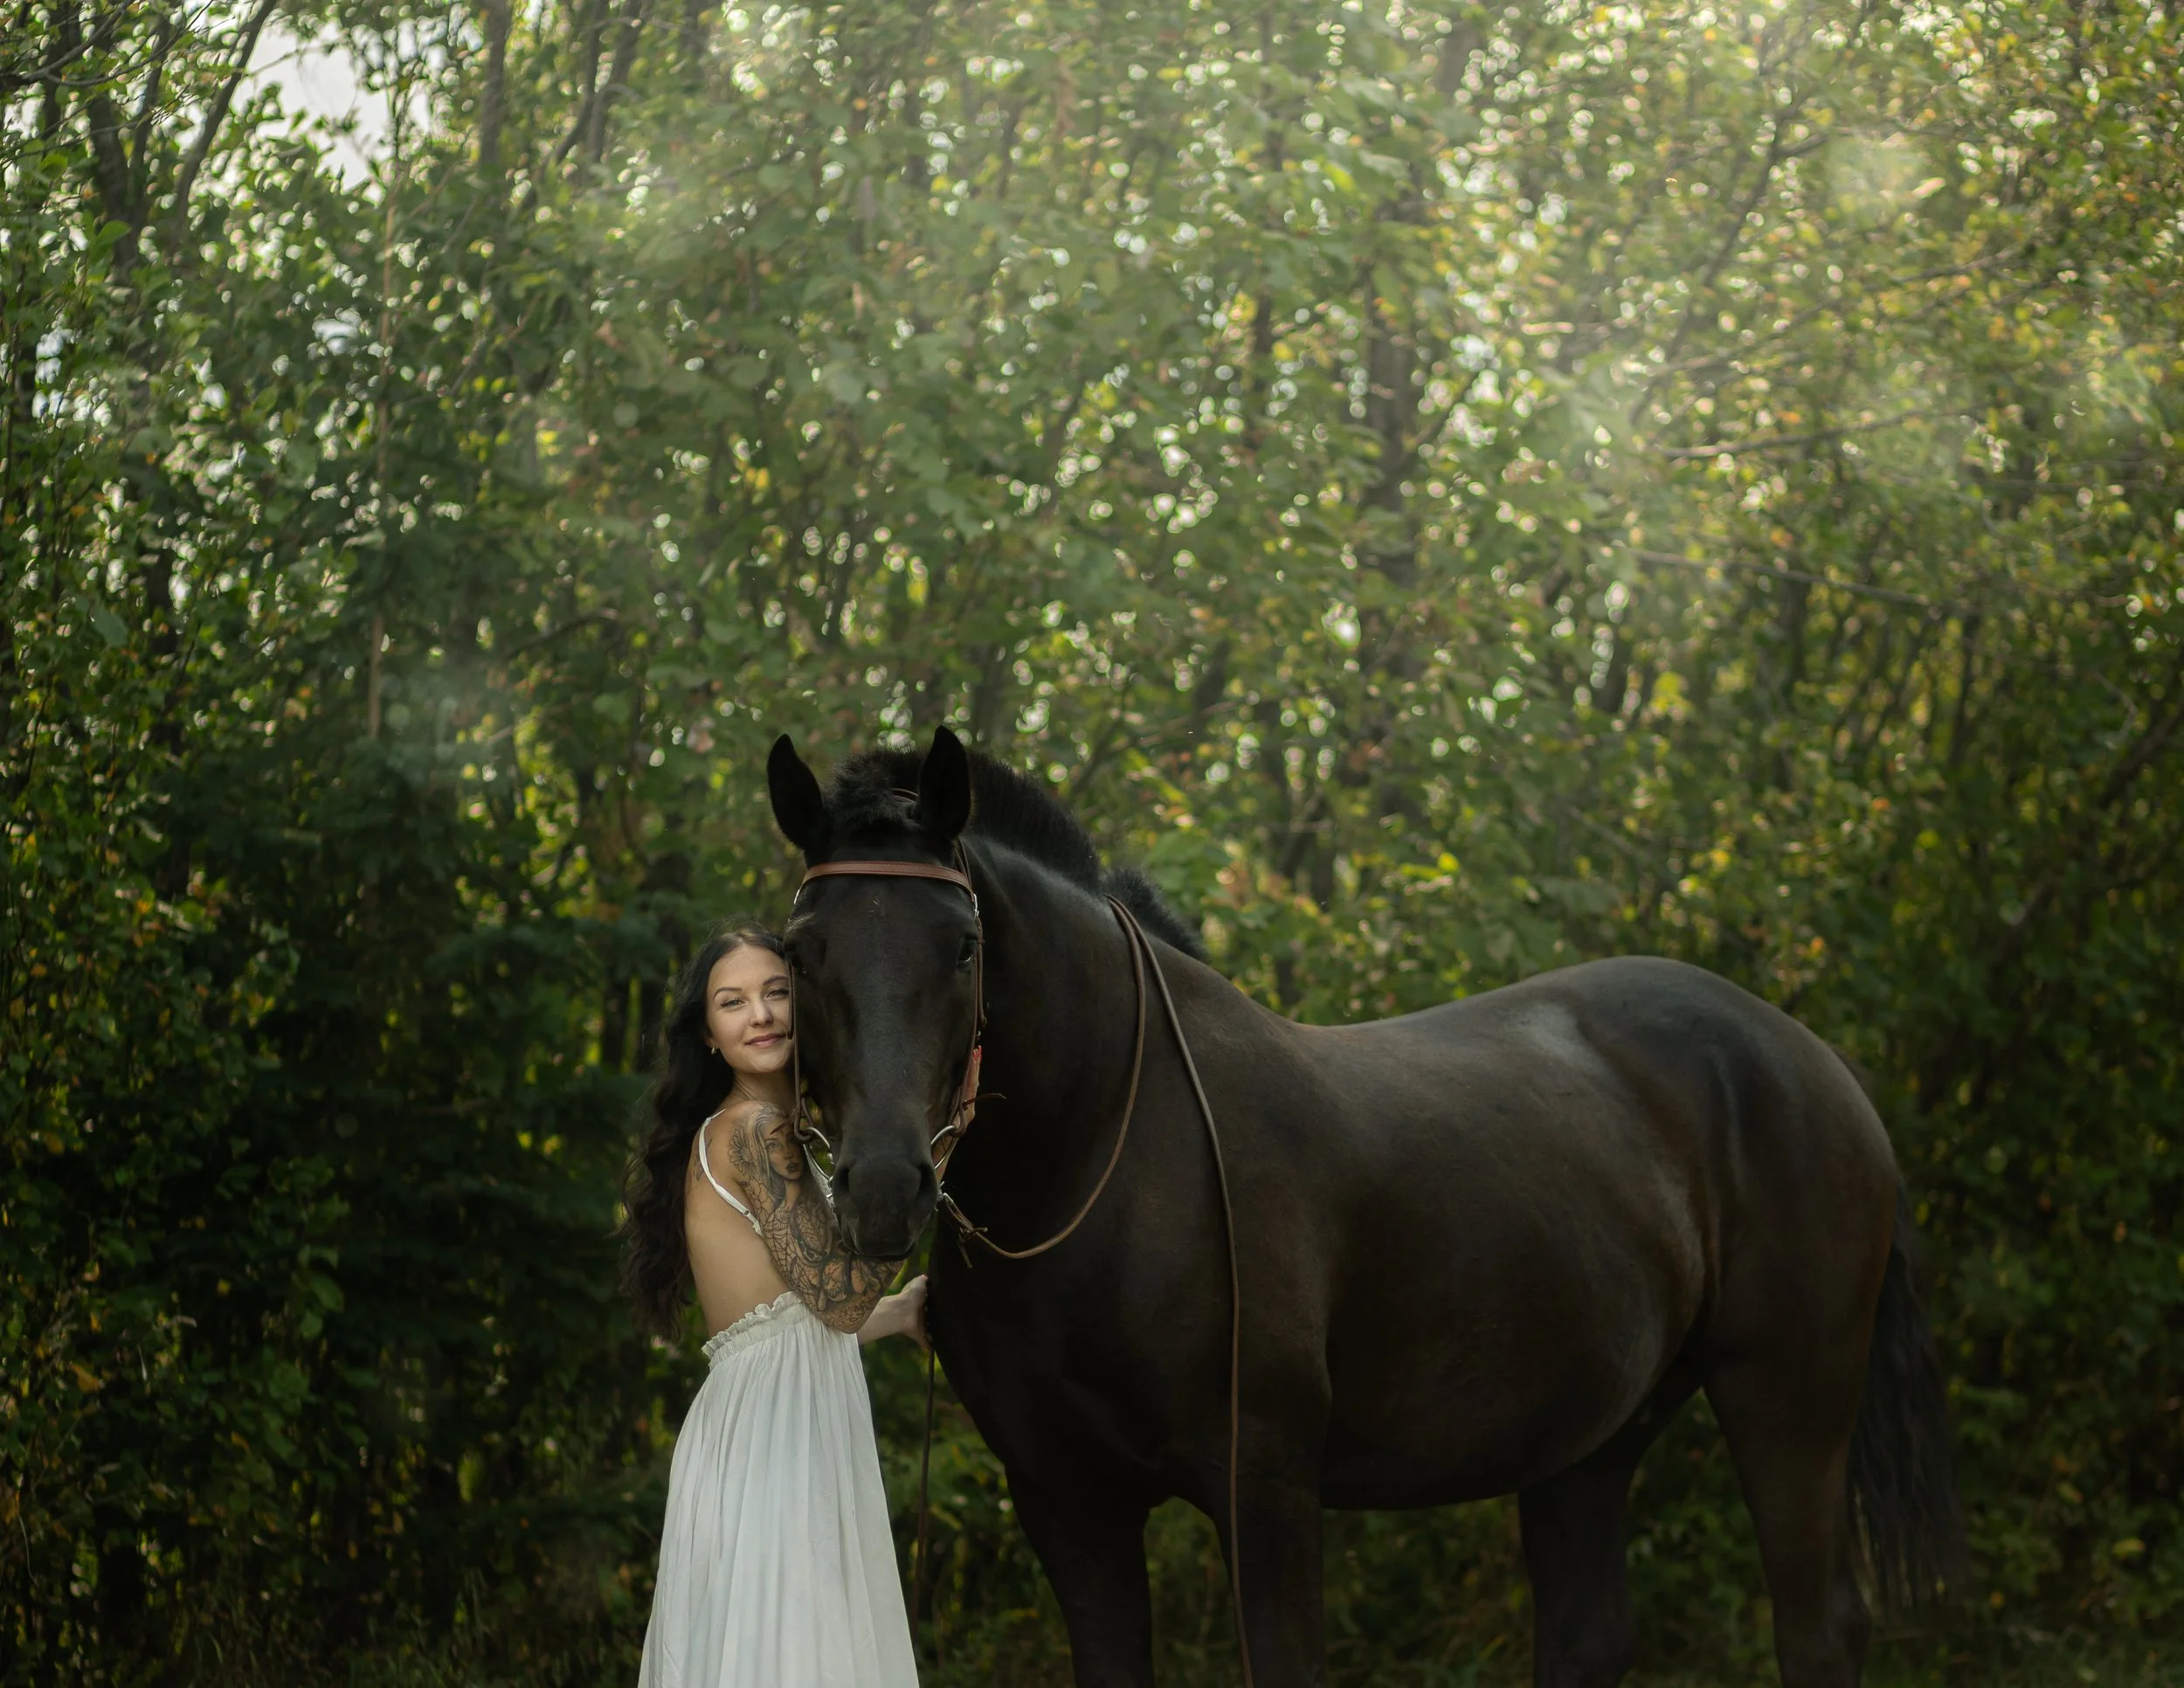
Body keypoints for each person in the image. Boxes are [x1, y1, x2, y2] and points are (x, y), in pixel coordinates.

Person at [620, 923, 932, 1688]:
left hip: (760, 1422)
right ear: (709, 1035)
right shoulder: (757, 1130)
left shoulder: (742, 1127)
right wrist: (929, 1168)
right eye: (733, 1003)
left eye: (776, 992)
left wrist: (900, 1311)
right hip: (777, 1441)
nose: (759, 1014)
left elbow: (792, 1320)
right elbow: (838, 1301)